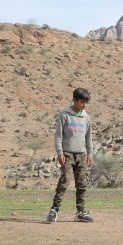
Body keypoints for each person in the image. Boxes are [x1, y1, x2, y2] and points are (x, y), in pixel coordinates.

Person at [46, 88, 95, 223]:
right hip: (67, 154)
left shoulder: (86, 117)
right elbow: (58, 136)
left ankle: (80, 212)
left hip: (82, 154)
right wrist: (60, 152)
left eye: (86, 102)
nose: (84, 105)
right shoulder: (64, 115)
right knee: (65, 181)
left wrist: (90, 153)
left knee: (82, 184)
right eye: (81, 102)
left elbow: (88, 137)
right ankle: (54, 210)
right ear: (74, 100)